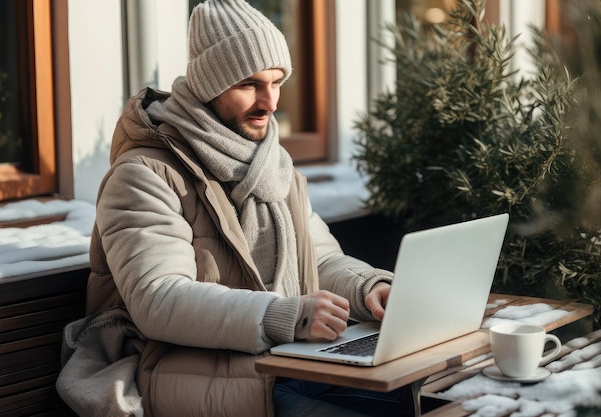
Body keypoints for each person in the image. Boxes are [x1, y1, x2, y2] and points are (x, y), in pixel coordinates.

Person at [56, 1, 401, 416]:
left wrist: (369, 289)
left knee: (413, 396)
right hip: (183, 368)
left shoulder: (272, 165)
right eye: (249, 85)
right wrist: (285, 315)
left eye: (276, 82)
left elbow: (319, 258)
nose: (270, 102)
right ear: (208, 86)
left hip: (281, 358)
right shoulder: (144, 175)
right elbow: (159, 300)